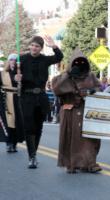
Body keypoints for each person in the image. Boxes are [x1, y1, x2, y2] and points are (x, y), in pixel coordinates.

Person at [15, 35, 63, 168]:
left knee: (38, 127)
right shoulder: (22, 59)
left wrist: (53, 46)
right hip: (27, 97)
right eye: (33, 45)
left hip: (41, 97)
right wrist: (16, 77)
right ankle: (31, 156)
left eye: (37, 46)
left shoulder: (45, 60)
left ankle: (34, 153)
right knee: (29, 127)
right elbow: (13, 74)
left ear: (41, 48)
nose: (34, 48)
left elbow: (59, 57)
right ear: (29, 46)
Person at [52, 48, 102, 174]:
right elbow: (57, 89)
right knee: (70, 138)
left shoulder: (90, 76)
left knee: (89, 139)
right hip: (70, 111)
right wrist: (68, 75)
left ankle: (90, 163)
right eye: (76, 63)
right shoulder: (63, 77)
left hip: (86, 111)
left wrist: (92, 91)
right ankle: (71, 163)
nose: (79, 65)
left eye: (82, 62)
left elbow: (99, 87)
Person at [0, 54, 24, 152]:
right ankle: (9, 143)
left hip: (17, 99)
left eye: (15, 60)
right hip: (5, 99)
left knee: (16, 122)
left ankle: (14, 143)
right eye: (11, 60)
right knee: (7, 122)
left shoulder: (20, 73)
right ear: (8, 61)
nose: (13, 62)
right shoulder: (2, 74)